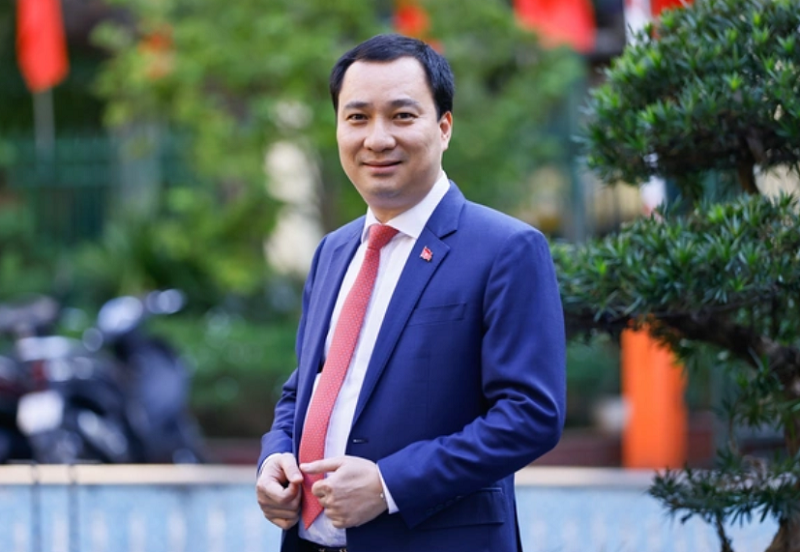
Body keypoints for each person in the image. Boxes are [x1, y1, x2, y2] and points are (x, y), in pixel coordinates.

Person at [256, 33, 566, 552]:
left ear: (444, 128)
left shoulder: (507, 249)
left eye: (402, 116)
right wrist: (274, 457)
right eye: (357, 118)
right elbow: (304, 387)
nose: (377, 139)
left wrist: (390, 484)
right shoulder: (333, 251)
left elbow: (530, 415)